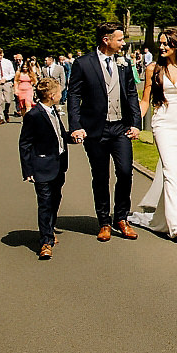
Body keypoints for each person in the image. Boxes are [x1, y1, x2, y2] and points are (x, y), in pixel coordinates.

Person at [67, 22, 142, 242]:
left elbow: (131, 94)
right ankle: (104, 222)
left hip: (120, 127)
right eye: (119, 39)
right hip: (95, 129)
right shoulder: (83, 64)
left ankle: (121, 217)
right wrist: (76, 126)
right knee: (100, 176)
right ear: (106, 40)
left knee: (126, 172)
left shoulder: (124, 63)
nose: (123, 43)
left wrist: (136, 123)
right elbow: (73, 96)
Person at [129, 28, 177, 241]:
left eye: (165, 43)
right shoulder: (153, 68)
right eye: (160, 43)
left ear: (176, 45)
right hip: (163, 123)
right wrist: (136, 124)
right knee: (169, 169)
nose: (161, 47)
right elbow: (145, 100)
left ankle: (165, 218)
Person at [19, 78, 76, 260]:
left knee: (55, 198)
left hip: (59, 164)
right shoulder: (34, 115)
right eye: (59, 93)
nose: (61, 95)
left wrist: (73, 137)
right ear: (52, 96)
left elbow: (59, 135)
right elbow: (25, 144)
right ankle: (45, 241)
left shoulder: (54, 112)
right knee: (44, 203)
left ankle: (49, 228)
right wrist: (28, 170)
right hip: (42, 166)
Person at [0, 48, 16, 124]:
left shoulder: (7, 62)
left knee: (8, 100)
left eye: (1, 55)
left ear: (3, 54)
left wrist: (6, 79)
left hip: (6, 81)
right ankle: (1, 117)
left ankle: (6, 111)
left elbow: (12, 73)